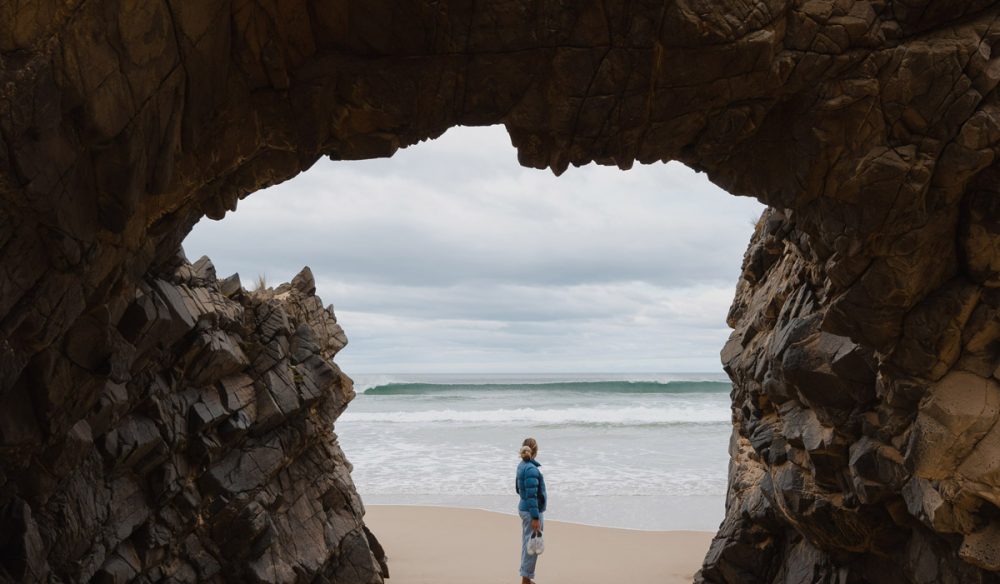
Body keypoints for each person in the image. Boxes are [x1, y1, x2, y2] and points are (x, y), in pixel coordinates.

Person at [515, 437, 546, 584]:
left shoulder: (521, 466)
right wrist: (535, 517)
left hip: (524, 508)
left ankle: (525, 577)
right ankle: (525, 580)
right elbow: (532, 495)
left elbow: (518, 489)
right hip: (531, 512)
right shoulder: (532, 469)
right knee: (532, 548)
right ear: (535, 451)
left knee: (527, 544)